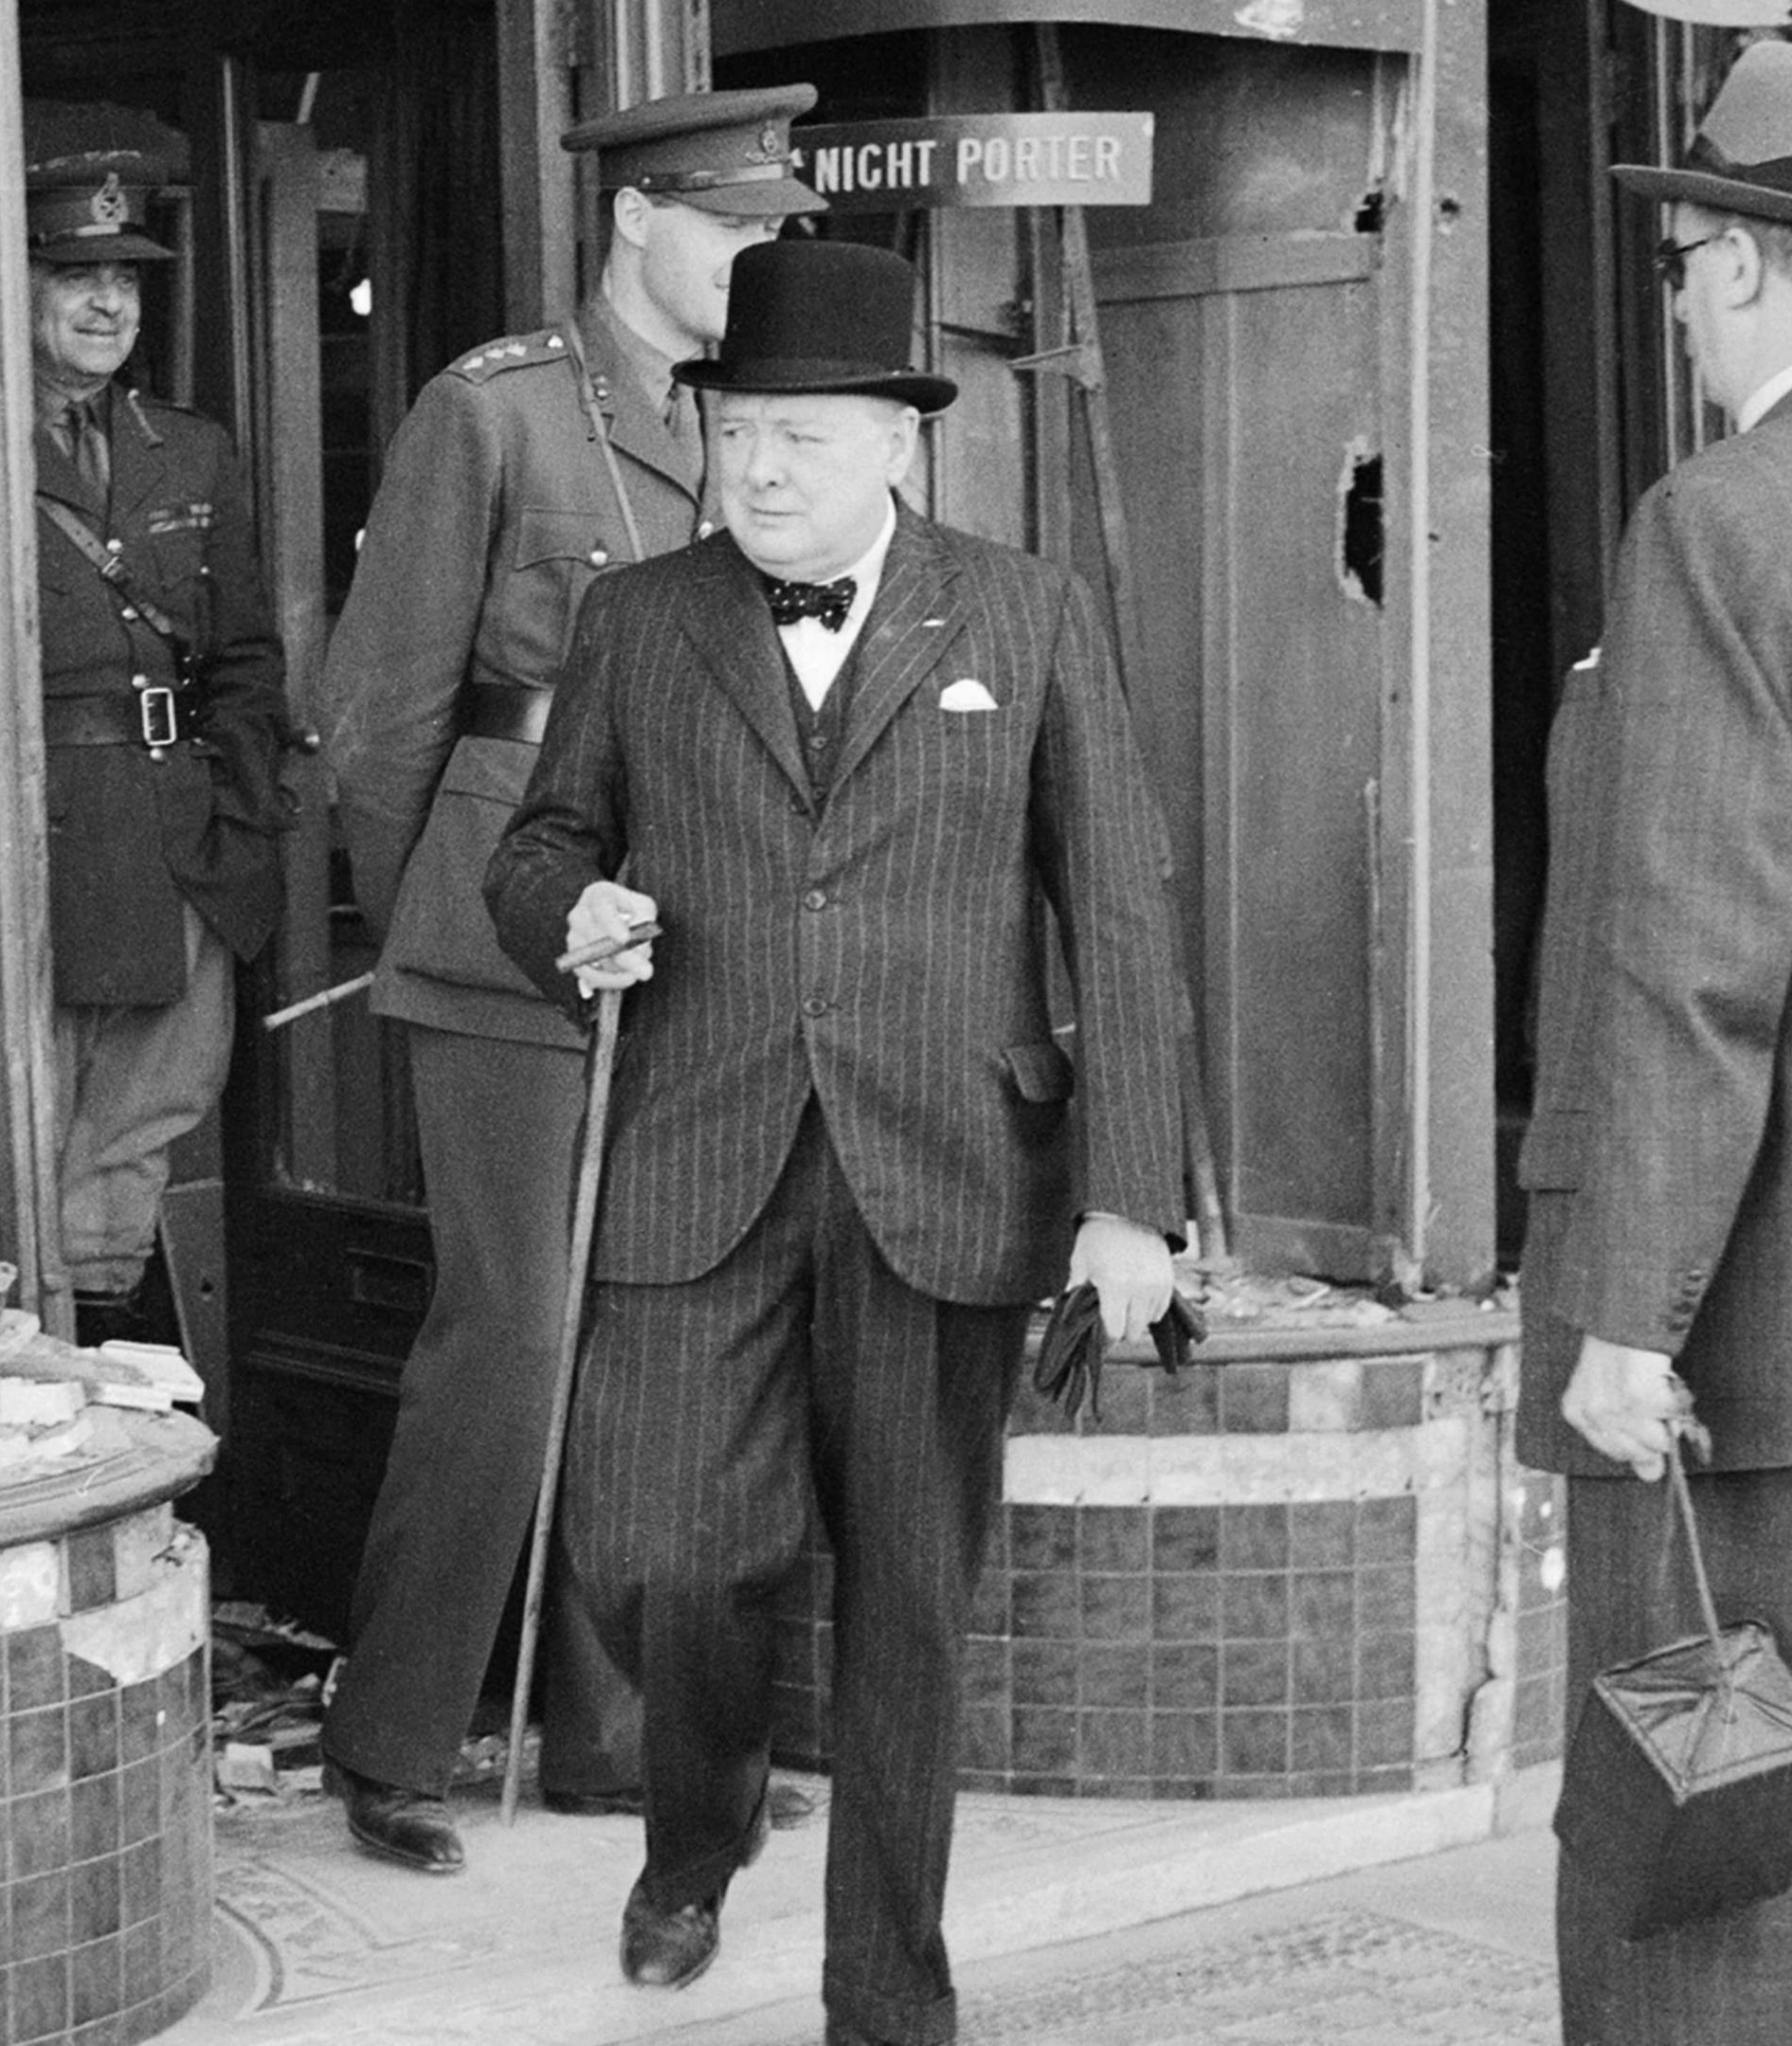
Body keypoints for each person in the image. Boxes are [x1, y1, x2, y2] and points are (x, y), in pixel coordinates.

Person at [483, 238, 1188, 2041]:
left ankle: (891, 1990)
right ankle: (695, 1823)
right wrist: (570, 915)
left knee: (908, 1610)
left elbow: (1115, 908)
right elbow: (539, 843)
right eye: (737, 433)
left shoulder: (1024, 615)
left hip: (951, 1170)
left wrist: (1132, 1200)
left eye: (802, 435)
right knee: (661, 1549)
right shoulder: (643, 619)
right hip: (698, 1153)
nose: (761, 469)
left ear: (897, 442)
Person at [314, 82, 823, 1878]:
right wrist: (437, 917)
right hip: (500, 932)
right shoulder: (501, 407)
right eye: (739, 230)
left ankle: (617, 1735)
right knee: (514, 1336)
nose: (766, 261)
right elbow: (377, 712)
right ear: (636, 222)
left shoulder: (770, 423)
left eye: (781, 233)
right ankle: (393, 1730)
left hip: (698, 944)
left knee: (662, 1340)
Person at [1524, 39, 1792, 2042]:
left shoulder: (1722, 521)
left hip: (1743, 1349)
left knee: (1692, 1863)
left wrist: (1627, 1313)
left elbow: (1698, 951)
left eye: (1690, 252)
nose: (1684, 299)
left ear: (1758, 267)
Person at [27, 153, 298, 1343]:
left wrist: (241, 812)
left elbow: (244, 653)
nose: (107, 303)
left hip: (176, 825)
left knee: (145, 1125)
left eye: (125, 280)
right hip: (35, 830)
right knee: (23, 1130)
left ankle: (97, 1345)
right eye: (73, 275)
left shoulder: (185, 447)